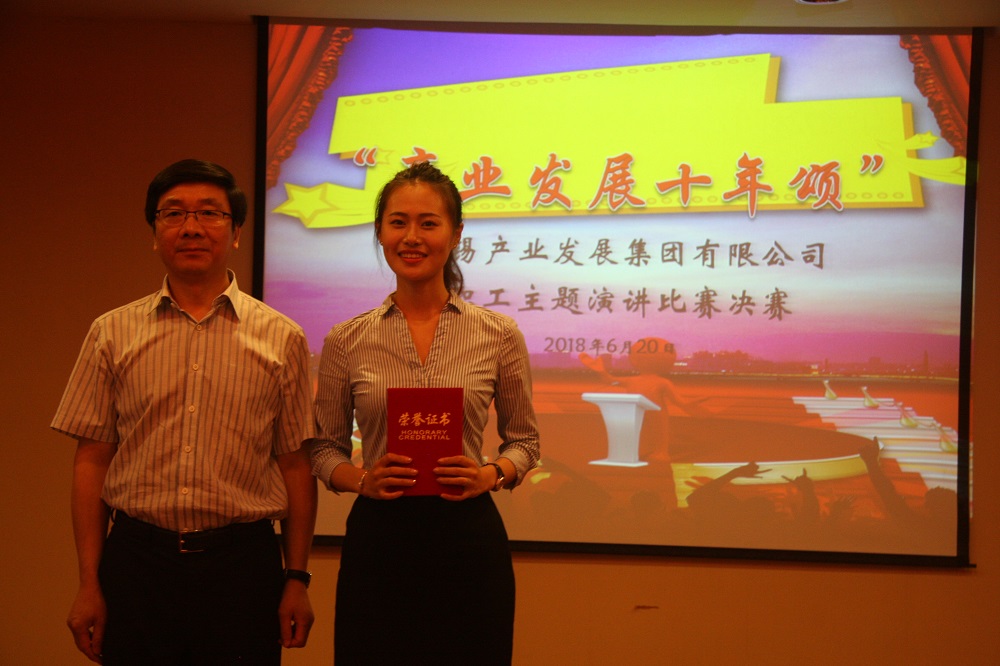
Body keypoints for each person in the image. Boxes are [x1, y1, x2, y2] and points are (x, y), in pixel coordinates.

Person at [51, 159, 317, 665]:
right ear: (155, 233)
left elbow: (295, 466)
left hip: (242, 568)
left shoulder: (283, 337)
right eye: (173, 213)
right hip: (137, 563)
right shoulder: (111, 333)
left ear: (236, 232)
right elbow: (92, 461)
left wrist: (296, 579)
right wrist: (88, 583)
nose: (191, 227)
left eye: (209, 213)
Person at [311, 161, 540, 664]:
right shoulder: (347, 339)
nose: (411, 237)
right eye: (398, 222)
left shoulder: (498, 334)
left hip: (468, 541)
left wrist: (489, 474)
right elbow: (324, 449)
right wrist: (362, 480)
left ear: (455, 234)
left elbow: (525, 442)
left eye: (428, 223)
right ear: (380, 232)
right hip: (379, 541)